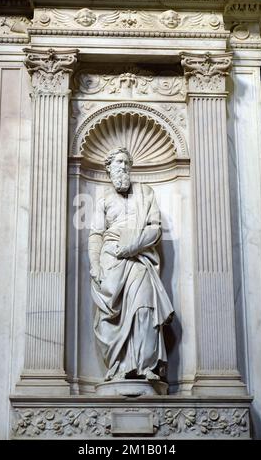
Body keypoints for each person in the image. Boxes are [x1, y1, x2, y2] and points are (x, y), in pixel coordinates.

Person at [88, 147, 174, 382]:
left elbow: (154, 229)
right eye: (118, 163)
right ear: (108, 168)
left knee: (145, 307)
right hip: (111, 259)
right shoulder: (103, 199)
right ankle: (119, 366)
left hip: (138, 257)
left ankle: (145, 365)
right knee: (109, 316)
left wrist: (133, 246)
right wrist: (95, 265)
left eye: (126, 163)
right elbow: (96, 234)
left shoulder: (146, 193)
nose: (123, 167)